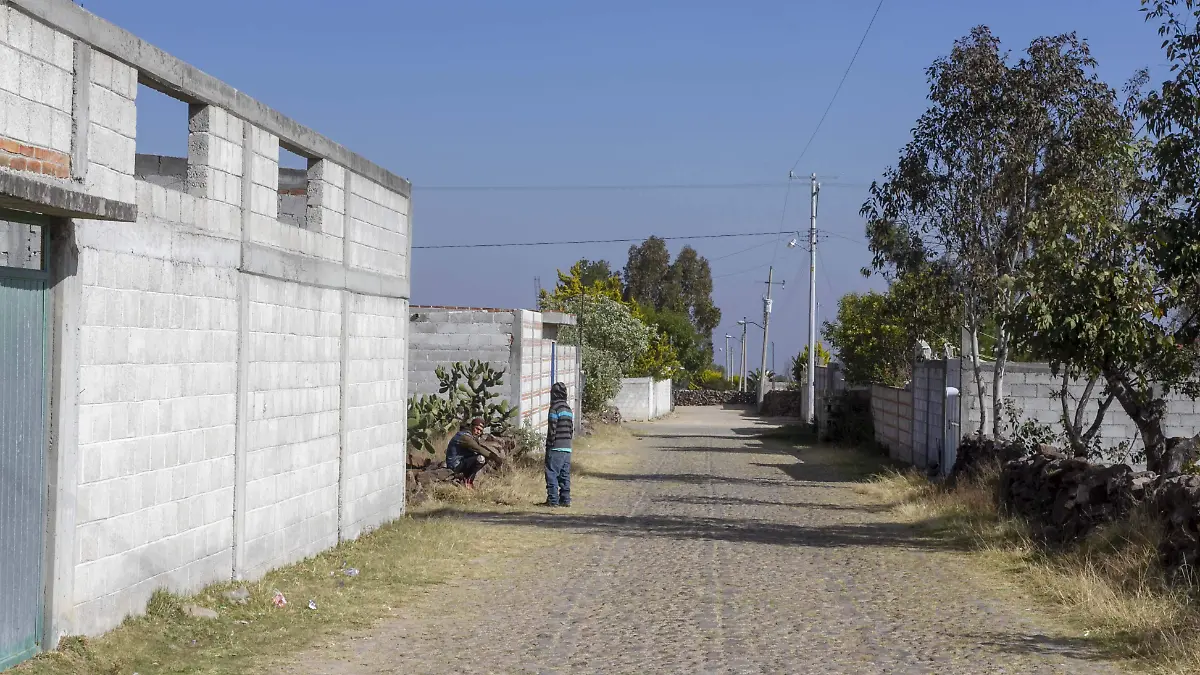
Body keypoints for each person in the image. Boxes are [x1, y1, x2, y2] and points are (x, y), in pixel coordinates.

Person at [543, 382, 574, 507]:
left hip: (556, 447)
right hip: (567, 447)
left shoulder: (554, 408)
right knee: (564, 475)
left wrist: (549, 444)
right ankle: (565, 500)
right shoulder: (568, 409)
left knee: (551, 473)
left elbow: (552, 429)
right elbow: (571, 429)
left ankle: (553, 500)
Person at [445, 417, 501, 487]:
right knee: (480, 459)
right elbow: (478, 449)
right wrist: (495, 458)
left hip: (461, 462)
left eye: (480, 431)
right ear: (471, 426)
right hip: (455, 465)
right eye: (477, 429)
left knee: (482, 457)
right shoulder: (464, 437)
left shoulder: (469, 436)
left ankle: (466, 479)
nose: (478, 432)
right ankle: (468, 482)